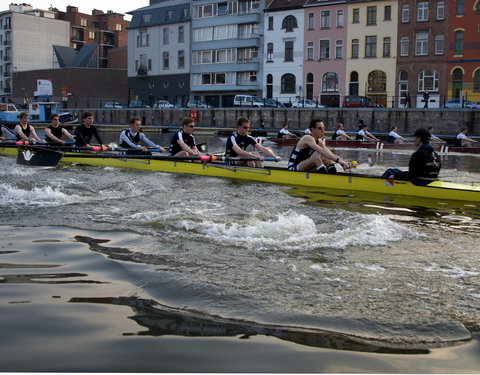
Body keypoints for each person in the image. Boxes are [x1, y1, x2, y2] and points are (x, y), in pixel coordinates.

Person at [288, 119, 352, 174]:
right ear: (312, 129)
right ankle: (324, 179)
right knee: (316, 158)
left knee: (327, 159)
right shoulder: (307, 138)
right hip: (293, 167)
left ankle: (333, 177)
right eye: (319, 128)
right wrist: (338, 160)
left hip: (305, 166)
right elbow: (321, 151)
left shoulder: (319, 141)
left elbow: (329, 153)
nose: (323, 131)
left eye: (323, 128)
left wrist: (342, 162)